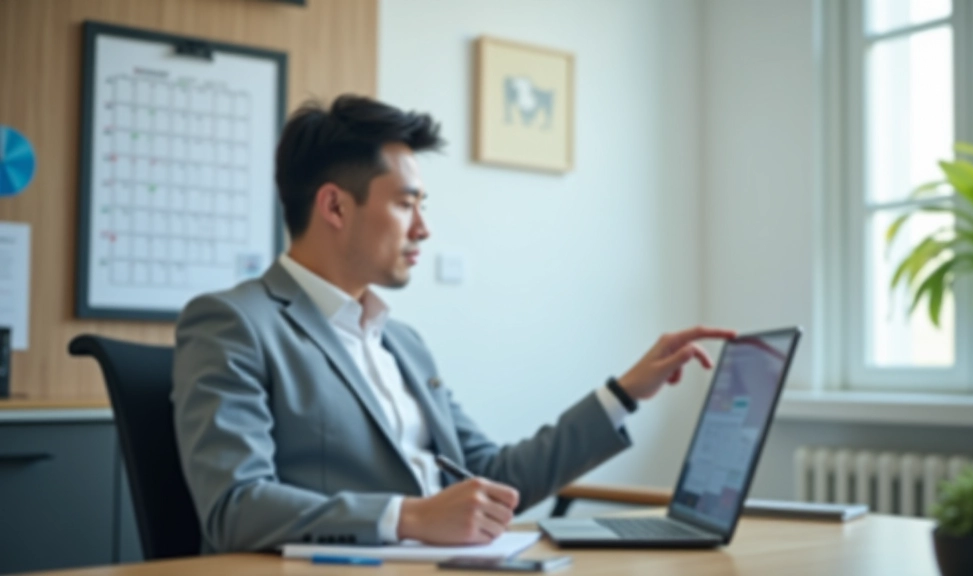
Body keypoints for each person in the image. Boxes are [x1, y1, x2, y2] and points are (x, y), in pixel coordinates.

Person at [171, 94, 735, 553]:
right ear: (335, 207)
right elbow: (234, 506)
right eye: (405, 204)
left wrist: (623, 394)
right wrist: (411, 516)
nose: (424, 228)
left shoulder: (403, 343)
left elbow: (490, 473)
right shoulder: (234, 323)